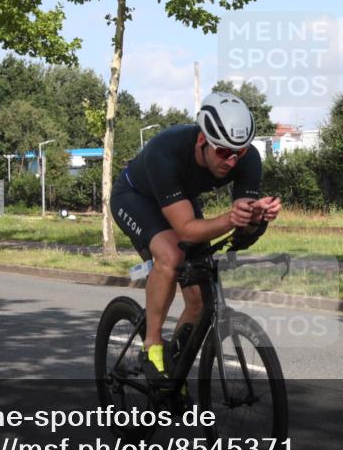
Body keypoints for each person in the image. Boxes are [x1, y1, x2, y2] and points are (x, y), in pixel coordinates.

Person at [110, 92, 281, 386]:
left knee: (200, 299)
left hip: (180, 200)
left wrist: (256, 218)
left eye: (238, 153)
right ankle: (152, 347)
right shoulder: (165, 151)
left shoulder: (247, 158)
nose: (231, 160)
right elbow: (187, 229)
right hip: (135, 198)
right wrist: (229, 218)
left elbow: (241, 230)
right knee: (171, 256)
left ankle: (174, 371)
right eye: (223, 152)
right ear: (202, 140)